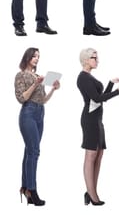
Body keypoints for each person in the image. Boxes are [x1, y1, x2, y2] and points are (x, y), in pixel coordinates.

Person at [77, 48, 119, 206]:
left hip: (98, 119)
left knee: (99, 154)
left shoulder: (89, 76)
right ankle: (92, 194)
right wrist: (117, 92)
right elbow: (97, 98)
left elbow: (100, 99)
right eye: (94, 58)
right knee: (90, 155)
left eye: (97, 58)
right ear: (85, 59)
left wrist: (111, 83)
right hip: (90, 119)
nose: (97, 60)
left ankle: (91, 191)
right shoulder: (83, 77)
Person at [15, 47, 60, 206]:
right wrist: (35, 84)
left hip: (40, 112)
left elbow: (43, 100)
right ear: (27, 57)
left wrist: (53, 89)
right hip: (28, 113)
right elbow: (22, 98)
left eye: (38, 56)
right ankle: (32, 191)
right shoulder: (21, 75)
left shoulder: (37, 76)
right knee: (34, 151)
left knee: (30, 150)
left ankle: (25, 187)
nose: (36, 59)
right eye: (34, 56)